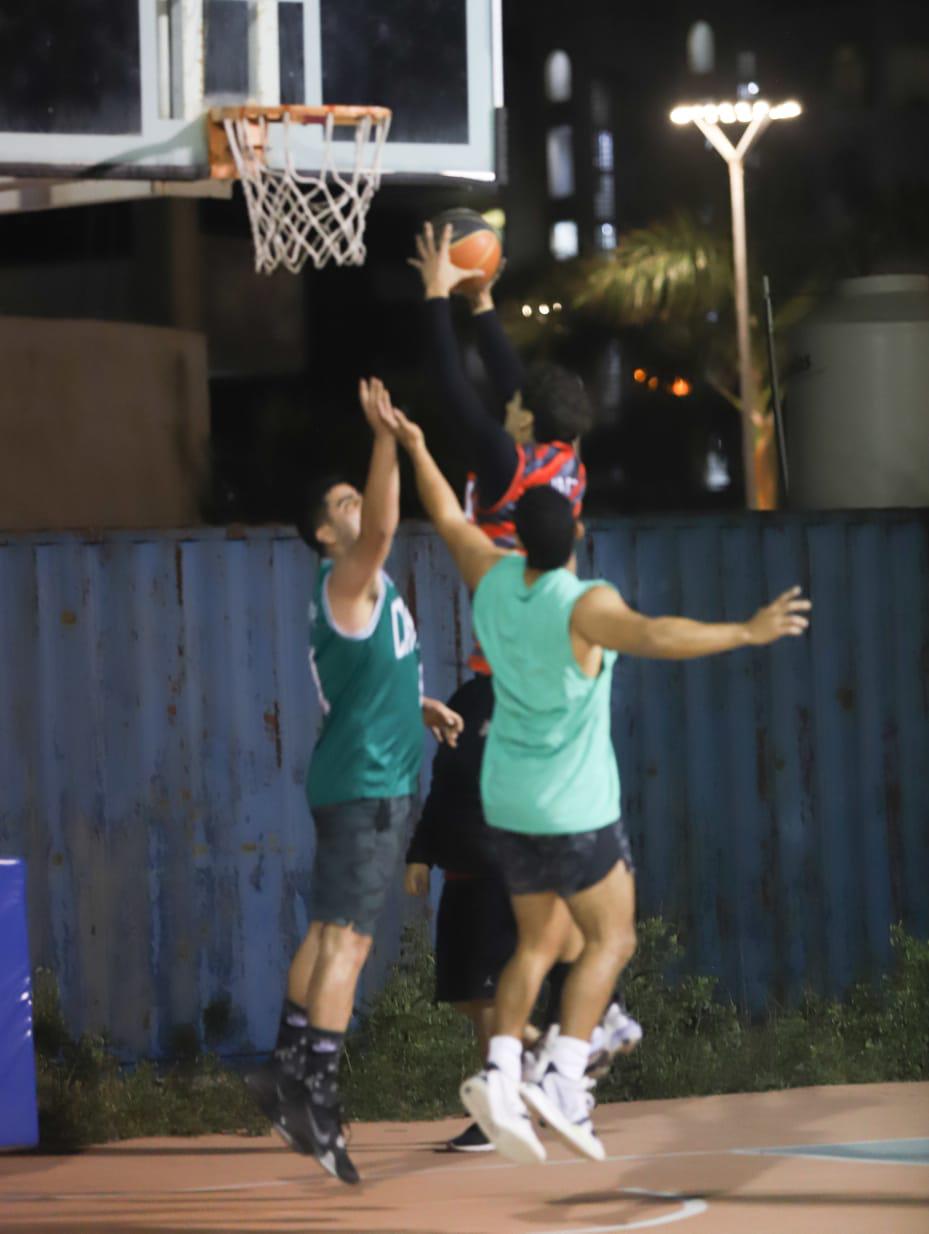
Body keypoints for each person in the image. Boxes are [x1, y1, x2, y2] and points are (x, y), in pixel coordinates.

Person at [377, 396, 811, 1166]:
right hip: (570, 806)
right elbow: (657, 636)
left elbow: (446, 516)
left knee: (543, 940)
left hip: (504, 801)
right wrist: (745, 630)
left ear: (514, 540)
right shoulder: (585, 604)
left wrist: (413, 444)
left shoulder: (493, 580)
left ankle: (505, 1068)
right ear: (576, 535)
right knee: (612, 936)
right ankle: (564, 1074)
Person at [404, 223, 638, 1153]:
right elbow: (508, 384)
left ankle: (535, 1057)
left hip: (503, 697)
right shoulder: (564, 461)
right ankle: (584, 1025)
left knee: (509, 877)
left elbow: (461, 396)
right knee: (560, 874)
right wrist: (486, 305)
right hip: (546, 694)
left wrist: (434, 295)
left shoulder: (502, 466)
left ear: (524, 423)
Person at [246, 378, 463, 1185]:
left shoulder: (367, 593)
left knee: (326, 930)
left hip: (365, 776)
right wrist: (384, 439)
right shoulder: (346, 578)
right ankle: (315, 1096)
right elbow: (382, 524)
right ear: (322, 532)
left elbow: (373, 685)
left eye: (353, 498)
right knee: (350, 940)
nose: (356, 510)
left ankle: (283, 1066)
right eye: (340, 503)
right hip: (367, 787)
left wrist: (424, 706)